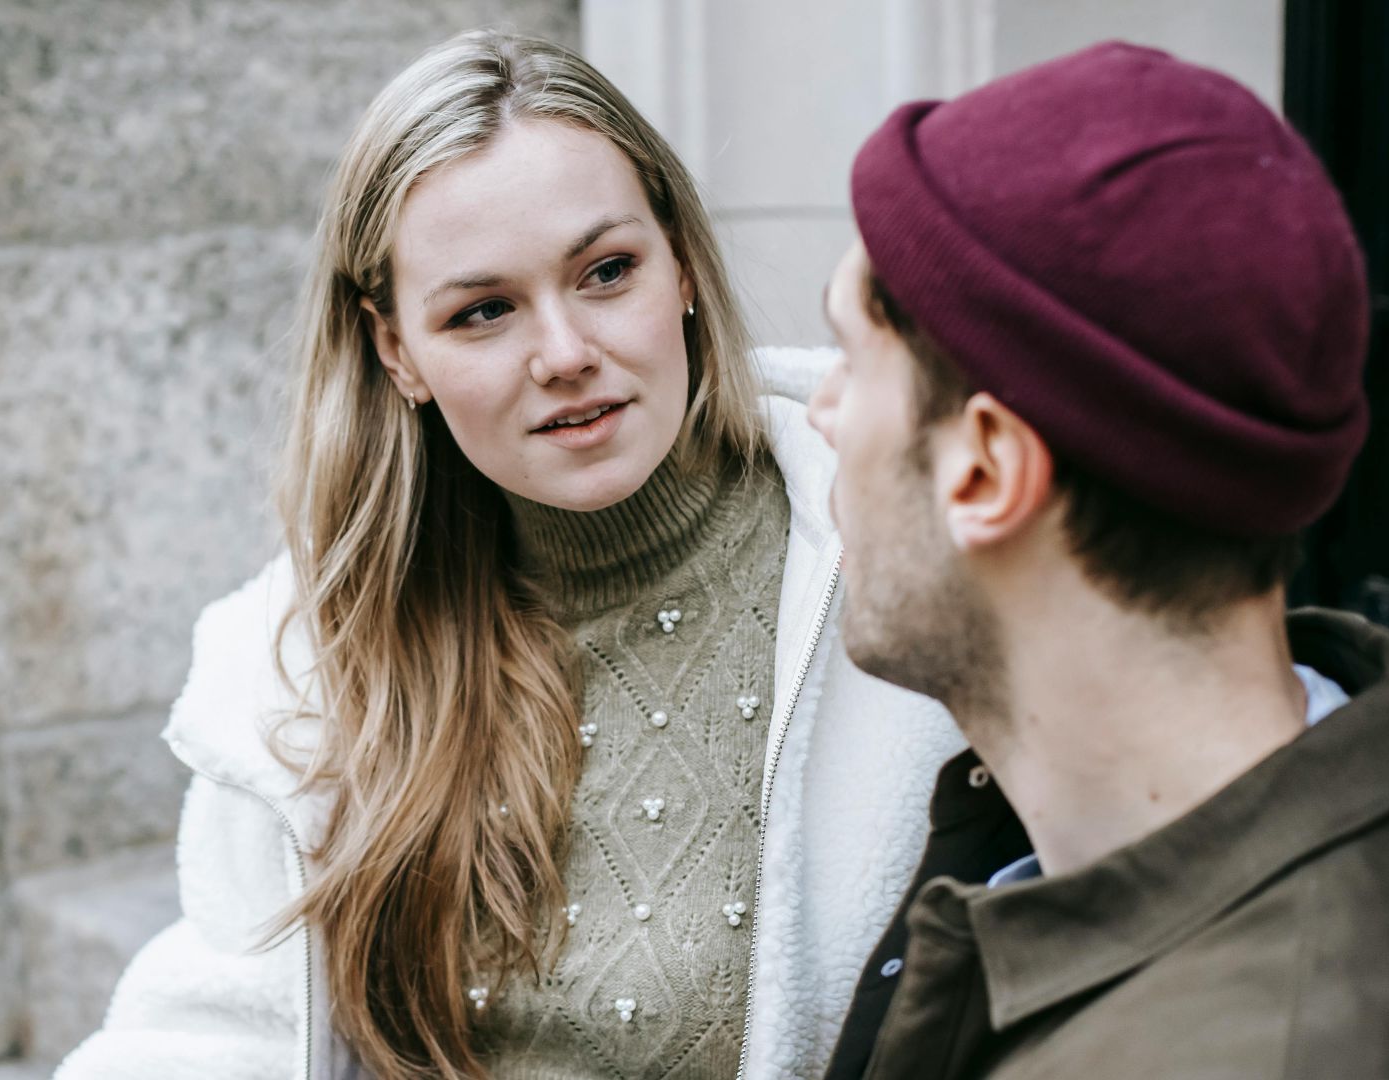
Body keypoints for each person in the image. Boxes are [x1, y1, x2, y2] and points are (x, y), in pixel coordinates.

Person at [57, 29, 963, 1080]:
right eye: (483, 311)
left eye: (607, 272)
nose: (566, 354)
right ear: (397, 351)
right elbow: (219, 1031)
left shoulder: (906, 545)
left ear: (679, 264)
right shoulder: (307, 654)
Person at [806, 42, 1389, 1080]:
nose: (821, 410)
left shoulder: (1249, 1043)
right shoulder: (1348, 776)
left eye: (850, 358)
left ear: (986, 470)